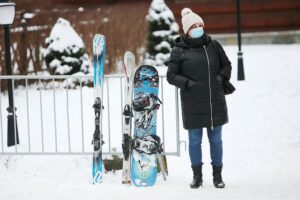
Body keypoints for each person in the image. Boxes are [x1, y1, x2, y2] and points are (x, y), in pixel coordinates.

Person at [167, 8, 232, 189]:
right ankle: (197, 176)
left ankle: (217, 176)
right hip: (192, 102)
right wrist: (188, 84)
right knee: (195, 140)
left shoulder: (213, 45)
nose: (198, 27)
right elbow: (171, 75)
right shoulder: (178, 50)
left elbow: (226, 65)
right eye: (194, 26)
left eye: (200, 24)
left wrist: (220, 79)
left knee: (216, 139)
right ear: (187, 30)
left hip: (214, 101)